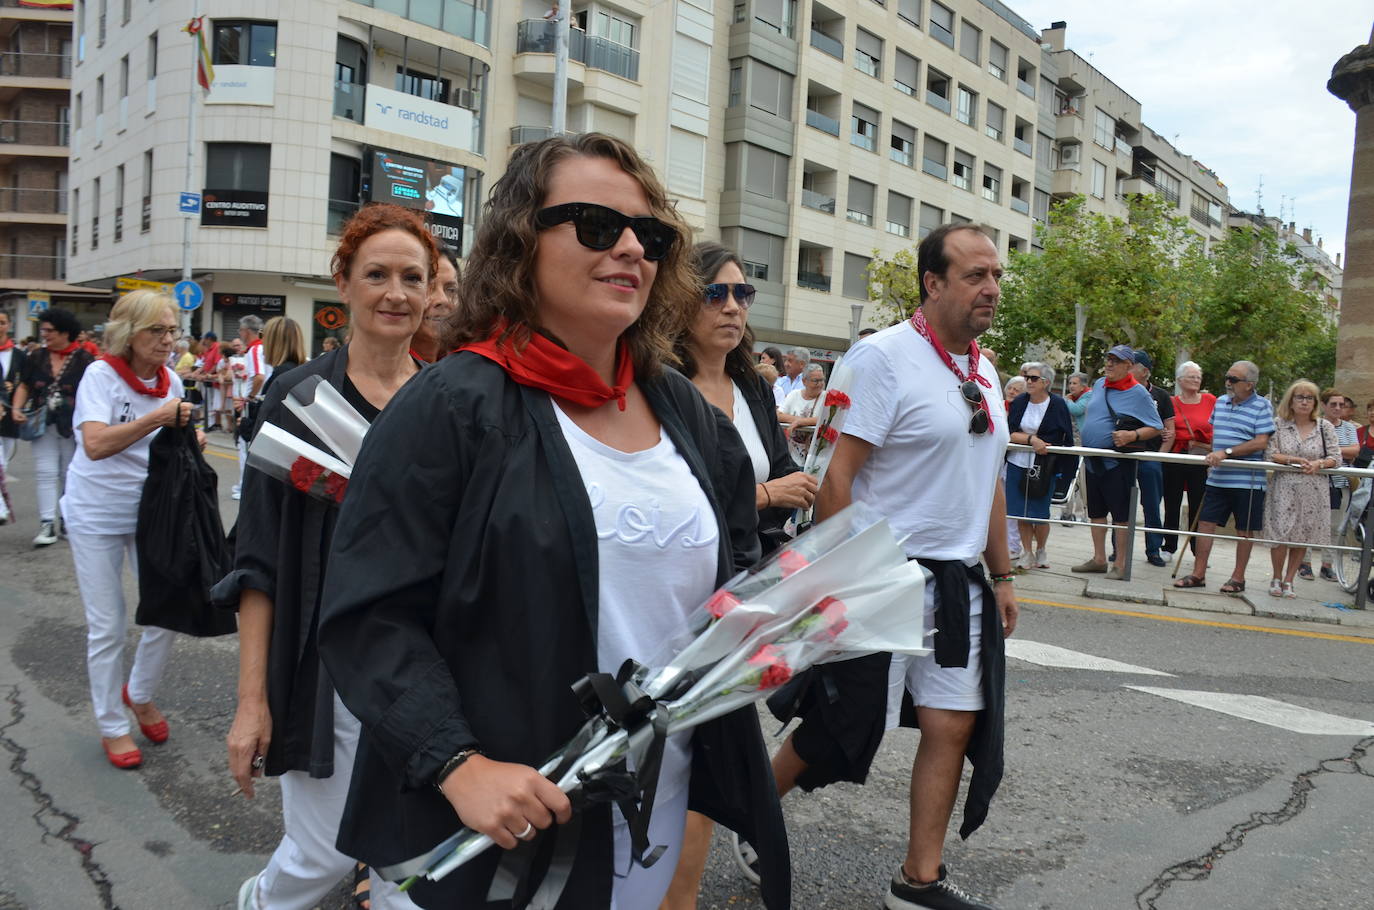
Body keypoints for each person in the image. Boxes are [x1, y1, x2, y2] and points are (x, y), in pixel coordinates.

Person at [315, 134, 789, 909]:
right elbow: (369, 616)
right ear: (519, 243)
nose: (633, 247)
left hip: (649, 812)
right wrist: (458, 766)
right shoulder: (452, 406)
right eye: (598, 225)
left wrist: (771, 626)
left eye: (652, 234)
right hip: (494, 831)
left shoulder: (687, 415)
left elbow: (725, 577)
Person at [759, 223, 1017, 910]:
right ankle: (745, 816)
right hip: (883, 574)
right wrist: (841, 574)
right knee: (838, 727)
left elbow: (987, 476)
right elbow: (838, 477)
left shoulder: (985, 371)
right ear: (933, 283)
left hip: (959, 582)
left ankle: (917, 880)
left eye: (995, 275)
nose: (991, 288)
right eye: (975, 275)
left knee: (952, 724)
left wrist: (1004, 574)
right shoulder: (881, 357)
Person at [213, 204, 435, 910]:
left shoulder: (448, 401)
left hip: (427, 669)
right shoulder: (299, 398)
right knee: (323, 853)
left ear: (433, 290)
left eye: (412, 277)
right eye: (376, 274)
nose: (395, 292)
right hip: (327, 667)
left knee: (415, 863)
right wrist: (252, 702)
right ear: (343, 282)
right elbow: (259, 563)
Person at [662, 240, 817, 909]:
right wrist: (768, 495)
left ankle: (679, 895)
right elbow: (675, 490)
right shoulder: (659, 381)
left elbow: (780, 464)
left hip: (749, 584)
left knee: (707, 749)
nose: (732, 307)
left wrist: (781, 492)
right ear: (679, 301)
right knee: (683, 749)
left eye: (741, 294)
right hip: (681, 589)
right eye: (715, 293)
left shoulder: (751, 382)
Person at [62, 291, 196, 769]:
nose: (167, 340)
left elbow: (166, 447)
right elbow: (95, 444)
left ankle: (138, 693)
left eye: (172, 330)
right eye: (156, 331)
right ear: (128, 334)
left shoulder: (173, 381)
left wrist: (189, 437)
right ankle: (111, 724)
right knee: (108, 625)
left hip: (149, 513)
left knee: (165, 611)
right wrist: (159, 417)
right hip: (94, 512)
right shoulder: (100, 375)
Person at [1174, 361, 1275, 594]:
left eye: (1234, 379)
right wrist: (1208, 449)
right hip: (1218, 477)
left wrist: (1227, 453)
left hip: (1247, 479)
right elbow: (1217, 437)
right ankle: (1198, 573)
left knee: (1244, 530)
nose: (1228, 383)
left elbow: (1261, 441)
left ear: (1249, 385)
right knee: (1205, 524)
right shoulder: (1220, 402)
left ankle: (1238, 578)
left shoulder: (1262, 406)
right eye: (1227, 378)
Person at [1072, 346, 1163, 580]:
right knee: (1096, 512)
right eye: (1108, 359)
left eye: (1116, 361)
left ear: (1129, 366)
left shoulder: (1138, 392)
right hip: (1093, 459)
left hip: (1117, 461)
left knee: (1121, 515)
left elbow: (1156, 426)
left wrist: (1133, 436)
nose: (1109, 364)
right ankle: (1099, 559)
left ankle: (1120, 564)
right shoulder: (1101, 383)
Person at [11, 307, 96, 547]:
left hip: (74, 426)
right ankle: (47, 523)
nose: (44, 334)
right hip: (42, 423)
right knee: (46, 473)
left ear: (64, 332)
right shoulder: (36, 357)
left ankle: (67, 520)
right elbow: (25, 386)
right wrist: (17, 409)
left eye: (49, 330)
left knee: (69, 473)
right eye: (43, 330)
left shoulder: (84, 360)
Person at [1263, 381, 1340, 598]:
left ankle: (1289, 580)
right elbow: (1270, 453)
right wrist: (1293, 460)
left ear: (1315, 403)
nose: (1304, 402)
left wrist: (1319, 464)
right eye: (1300, 397)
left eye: (1309, 398)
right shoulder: (1279, 424)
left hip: (1313, 486)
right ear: (1291, 400)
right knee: (1280, 532)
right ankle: (1276, 577)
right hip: (1284, 484)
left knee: (1302, 534)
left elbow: (1336, 458)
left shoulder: (1325, 427)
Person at [1005, 362, 1072, 570]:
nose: (1029, 382)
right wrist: (1031, 439)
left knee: (1040, 512)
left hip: (1044, 465)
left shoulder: (1058, 404)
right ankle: (1027, 552)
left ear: (1046, 382)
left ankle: (1041, 549)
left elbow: (1066, 436)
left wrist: (1065, 469)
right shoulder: (1020, 402)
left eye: (1034, 378)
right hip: (1018, 461)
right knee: (1020, 511)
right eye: (1027, 378)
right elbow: (1010, 431)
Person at [1162, 361, 1214, 556]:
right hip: (1176, 456)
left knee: (1197, 504)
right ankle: (1169, 546)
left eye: (1198, 377)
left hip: (1200, 458)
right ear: (1180, 380)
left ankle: (1196, 549)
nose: (1195, 380)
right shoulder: (1171, 401)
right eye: (1191, 376)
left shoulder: (1210, 400)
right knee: (1171, 502)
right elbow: (1165, 427)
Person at [1129, 351, 1175, 567]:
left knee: (1152, 505)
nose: (1126, 369)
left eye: (1131, 365)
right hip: (1126, 456)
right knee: (1121, 504)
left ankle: (1153, 549)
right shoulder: (1120, 392)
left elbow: (1170, 430)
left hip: (1151, 457)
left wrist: (1160, 456)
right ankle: (1118, 548)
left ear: (1144, 371)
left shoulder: (1161, 396)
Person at [1313, 388, 1362, 581]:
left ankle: (1327, 564)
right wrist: (1338, 453)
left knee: (1335, 526)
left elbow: (1354, 451)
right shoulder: (1314, 425)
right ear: (1323, 405)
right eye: (1333, 404)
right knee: (1311, 524)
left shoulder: (1349, 428)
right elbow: (1313, 451)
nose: (1338, 408)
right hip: (1317, 481)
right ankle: (1305, 562)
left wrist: (1331, 451)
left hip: (1340, 484)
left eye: (1341, 405)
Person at [408, 245, 461, 363]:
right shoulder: (391, 372)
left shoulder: (463, 365)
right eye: (429, 288)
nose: (443, 300)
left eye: (451, 290)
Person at [1057, 371, 1092, 524]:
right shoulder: (1072, 398)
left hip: (1084, 442)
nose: (1071, 386)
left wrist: (1067, 400)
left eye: (1074, 383)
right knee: (1070, 477)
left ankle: (1084, 512)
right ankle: (1066, 512)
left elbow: (1077, 410)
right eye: (1070, 383)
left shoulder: (1089, 396)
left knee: (1082, 479)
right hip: (1071, 441)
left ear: (1083, 385)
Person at [778, 362, 827, 464]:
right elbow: (778, 415)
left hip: (815, 459)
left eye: (822, 380)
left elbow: (826, 419)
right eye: (815, 381)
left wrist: (802, 422)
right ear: (804, 381)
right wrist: (799, 420)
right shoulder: (794, 394)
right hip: (790, 456)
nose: (820, 384)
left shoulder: (827, 397)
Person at [0, 308, 27, 465]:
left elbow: (25, 381)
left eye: (2, 323)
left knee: (4, 464)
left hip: (9, 413)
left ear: (9, 325)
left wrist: (14, 386)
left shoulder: (19, 355)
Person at [259, 316, 307, 394]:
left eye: (262, 336)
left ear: (273, 342)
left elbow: (270, 405)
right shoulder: (298, 370)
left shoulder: (282, 374)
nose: (261, 341)